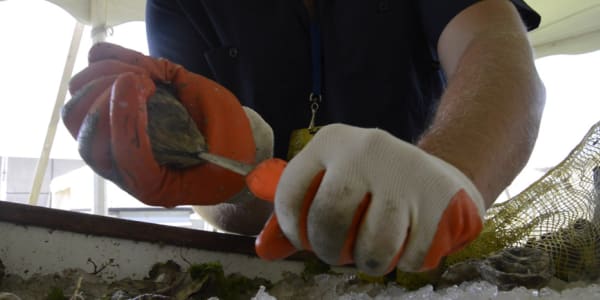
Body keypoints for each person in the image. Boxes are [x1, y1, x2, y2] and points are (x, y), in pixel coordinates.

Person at [63, 0, 545, 276]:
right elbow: (209, 191)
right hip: (270, 265)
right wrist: (216, 173)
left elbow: (495, 48)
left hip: (431, 256)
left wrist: (449, 169)